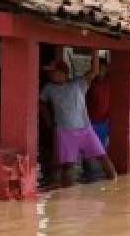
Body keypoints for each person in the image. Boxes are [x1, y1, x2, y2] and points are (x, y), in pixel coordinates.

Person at [41, 51, 116, 188]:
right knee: (68, 166)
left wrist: (95, 50)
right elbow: (41, 103)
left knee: (103, 157)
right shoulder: (48, 88)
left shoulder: (78, 84)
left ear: (63, 73)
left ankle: (116, 188)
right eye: (50, 72)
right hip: (64, 132)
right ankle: (67, 195)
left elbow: (94, 71)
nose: (50, 74)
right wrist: (48, 121)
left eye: (53, 72)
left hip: (85, 129)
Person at [86, 58, 130, 168]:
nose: (97, 70)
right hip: (93, 122)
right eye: (94, 67)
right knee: (89, 155)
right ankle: (88, 173)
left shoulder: (110, 79)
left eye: (100, 68)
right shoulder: (88, 82)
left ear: (106, 68)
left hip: (108, 120)